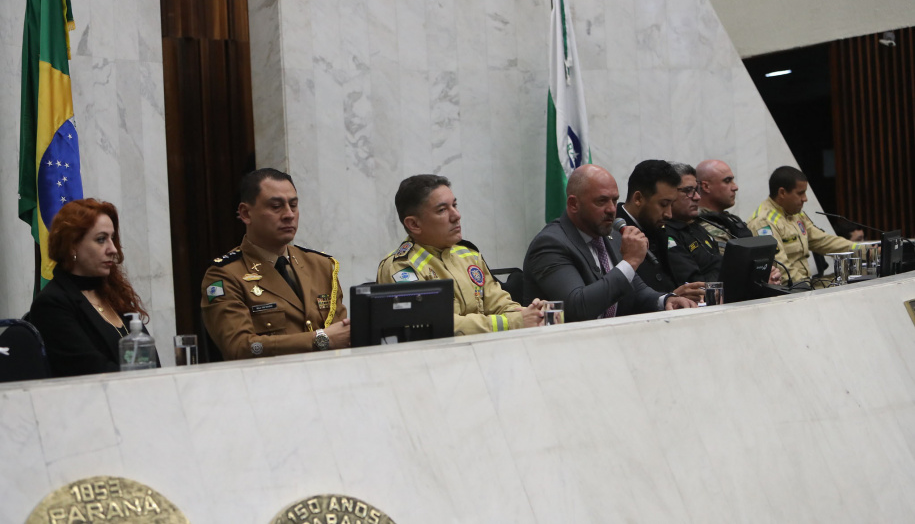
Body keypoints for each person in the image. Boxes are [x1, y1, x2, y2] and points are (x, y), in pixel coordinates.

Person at [201, 168, 350, 359]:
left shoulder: (320, 265)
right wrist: (319, 339)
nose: (289, 214)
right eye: (276, 206)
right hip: (269, 383)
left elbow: (342, 334)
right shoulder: (225, 275)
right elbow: (239, 346)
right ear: (246, 213)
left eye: (293, 205)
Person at [523, 164, 695, 323]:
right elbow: (578, 307)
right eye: (601, 201)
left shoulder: (610, 237)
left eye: (614, 200)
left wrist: (665, 300)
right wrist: (630, 262)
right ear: (573, 204)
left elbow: (638, 291)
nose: (612, 209)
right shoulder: (550, 244)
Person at [377, 174, 544, 335]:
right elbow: (434, 324)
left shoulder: (468, 255)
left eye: (454, 205)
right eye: (442, 210)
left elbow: (500, 304)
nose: (457, 216)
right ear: (414, 224)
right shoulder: (401, 268)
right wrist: (512, 322)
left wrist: (533, 315)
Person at [29, 199, 153, 377]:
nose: (113, 249)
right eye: (101, 239)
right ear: (72, 246)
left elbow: (150, 359)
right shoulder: (51, 304)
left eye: (112, 238)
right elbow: (90, 370)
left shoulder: (113, 292)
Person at [747, 166, 857, 286]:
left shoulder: (795, 214)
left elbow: (823, 241)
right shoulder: (763, 222)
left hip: (806, 284)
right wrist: (810, 290)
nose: (805, 199)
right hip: (791, 291)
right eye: (800, 193)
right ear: (782, 193)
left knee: (854, 277)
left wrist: (863, 250)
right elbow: (782, 269)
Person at [615, 160, 705, 301]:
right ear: (638, 198)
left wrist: (676, 295)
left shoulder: (658, 227)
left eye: (671, 204)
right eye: (663, 204)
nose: (669, 214)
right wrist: (667, 298)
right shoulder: (612, 232)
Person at [664, 163, 722, 284]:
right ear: (669, 194)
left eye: (696, 190)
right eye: (688, 191)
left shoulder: (695, 226)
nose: (697, 197)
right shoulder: (666, 234)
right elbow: (695, 283)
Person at [695, 159, 753, 254]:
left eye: (732, 180)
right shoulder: (706, 227)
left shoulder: (726, 219)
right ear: (706, 187)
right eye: (727, 181)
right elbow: (726, 267)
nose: (735, 187)